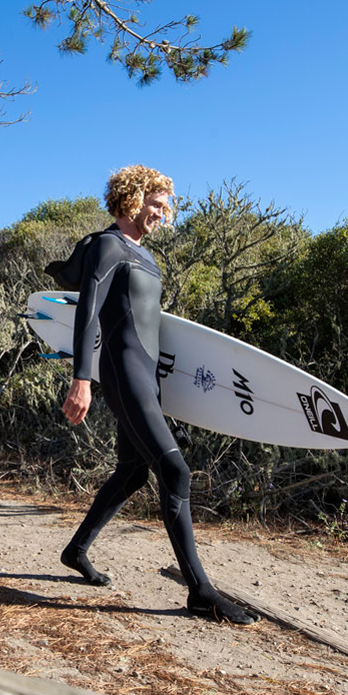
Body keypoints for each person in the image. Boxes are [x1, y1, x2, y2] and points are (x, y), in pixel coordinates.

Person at [57, 165, 258, 625]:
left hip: (148, 378)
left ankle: (76, 550)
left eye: (167, 205)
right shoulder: (108, 246)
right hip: (122, 372)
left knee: (131, 473)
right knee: (174, 471)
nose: (164, 213)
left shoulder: (147, 258)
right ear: (132, 198)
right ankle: (200, 592)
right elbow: (88, 311)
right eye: (157, 203)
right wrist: (81, 379)